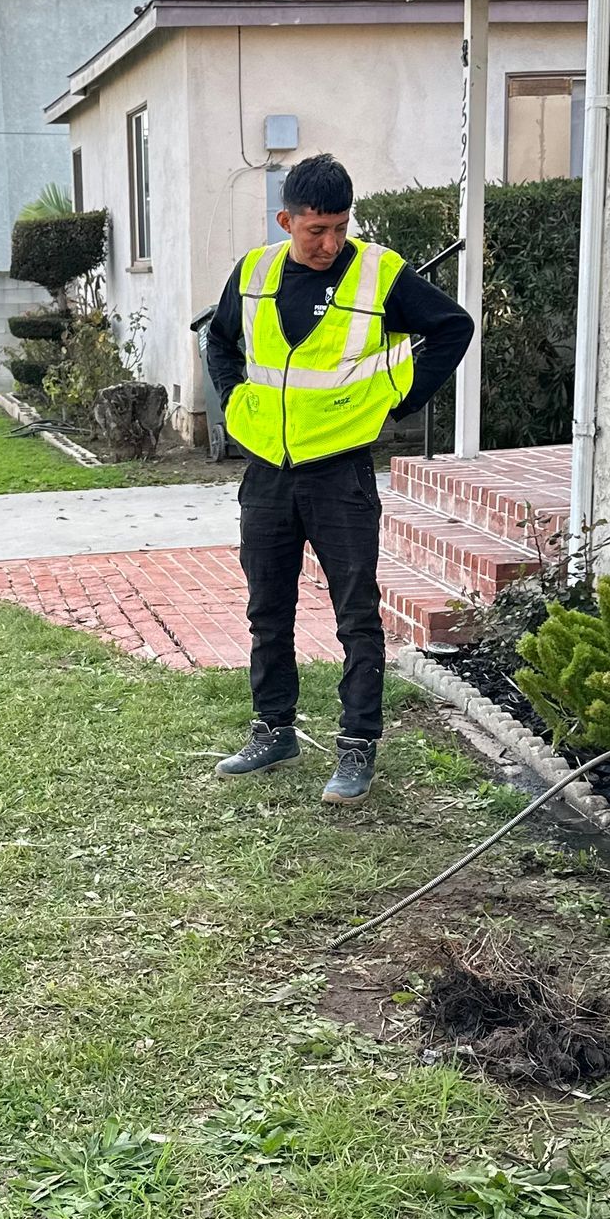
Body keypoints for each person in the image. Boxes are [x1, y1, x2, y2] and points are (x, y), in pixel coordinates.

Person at [203, 152, 474, 805]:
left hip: (340, 479)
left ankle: (357, 748)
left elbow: (452, 329)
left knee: (356, 615)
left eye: (338, 228)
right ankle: (274, 730)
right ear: (286, 220)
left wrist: (392, 401)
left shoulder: (379, 273)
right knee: (268, 609)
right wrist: (236, 400)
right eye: (314, 230)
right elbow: (220, 341)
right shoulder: (256, 272)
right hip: (269, 474)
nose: (328, 243)